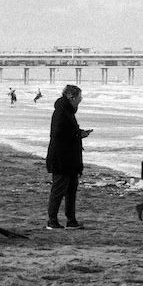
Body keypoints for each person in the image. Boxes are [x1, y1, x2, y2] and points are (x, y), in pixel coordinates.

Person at [45, 84, 90, 230]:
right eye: (79, 97)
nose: (81, 100)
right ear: (72, 96)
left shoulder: (67, 111)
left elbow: (66, 131)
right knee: (58, 191)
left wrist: (79, 133)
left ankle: (71, 220)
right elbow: (58, 134)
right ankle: (52, 221)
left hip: (70, 158)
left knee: (71, 190)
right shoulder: (61, 111)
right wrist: (77, 135)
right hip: (62, 159)